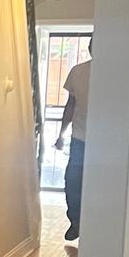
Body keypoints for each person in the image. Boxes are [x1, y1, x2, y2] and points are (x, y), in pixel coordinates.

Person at [56, 39, 92, 243]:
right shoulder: (78, 72)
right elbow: (71, 105)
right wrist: (61, 135)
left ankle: (96, 226)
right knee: (72, 181)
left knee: (101, 185)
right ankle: (76, 221)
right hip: (79, 138)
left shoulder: (119, 72)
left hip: (109, 142)